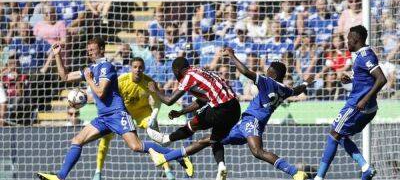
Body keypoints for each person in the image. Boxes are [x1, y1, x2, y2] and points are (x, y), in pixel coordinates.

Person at [36, 37, 183, 180]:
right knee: (77, 140)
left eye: (92, 49)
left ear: (101, 49)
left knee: (136, 146)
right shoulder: (91, 69)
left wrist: (88, 79)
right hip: (103, 117)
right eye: (88, 50)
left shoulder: (107, 67)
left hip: (117, 114)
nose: (90, 52)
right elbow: (65, 77)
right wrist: (57, 55)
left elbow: (100, 92)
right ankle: (60, 176)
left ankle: (177, 154)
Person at [205, 47, 312, 180]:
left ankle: (295, 172)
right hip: (246, 122)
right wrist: (307, 82)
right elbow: (298, 90)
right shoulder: (286, 90)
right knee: (212, 140)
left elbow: (244, 71)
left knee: (257, 151)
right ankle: (175, 155)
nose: (266, 71)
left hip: (252, 120)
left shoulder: (267, 81)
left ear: (272, 73)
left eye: (269, 69)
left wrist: (232, 55)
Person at [92, 57, 192, 180]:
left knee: (155, 134)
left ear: (144, 68)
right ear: (130, 68)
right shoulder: (121, 81)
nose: (138, 70)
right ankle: (98, 173)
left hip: (142, 114)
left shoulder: (149, 82)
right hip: (123, 113)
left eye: (140, 67)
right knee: (105, 138)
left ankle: (168, 171)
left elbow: (157, 102)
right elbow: (111, 97)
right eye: (135, 67)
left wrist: (153, 117)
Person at [146, 57, 241, 180]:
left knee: (193, 124)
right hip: (235, 108)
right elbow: (202, 101)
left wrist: (156, 90)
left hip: (220, 108)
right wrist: (181, 112)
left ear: (176, 70)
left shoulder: (187, 77)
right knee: (214, 140)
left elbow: (169, 101)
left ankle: (166, 139)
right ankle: (221, 166)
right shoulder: (199, 70)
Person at [313, 25, 387, 180]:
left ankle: (319, 177)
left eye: (348, 39)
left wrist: (364, 99)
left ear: (355, 39)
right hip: (369, 108)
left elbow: (381, 79)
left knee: (334, 134)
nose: (347, 43)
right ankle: (365, 168)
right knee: (341, 135)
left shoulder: (366, 56)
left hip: (357, 105)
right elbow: (367, 78)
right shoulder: (362, 55)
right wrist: (351, 79)